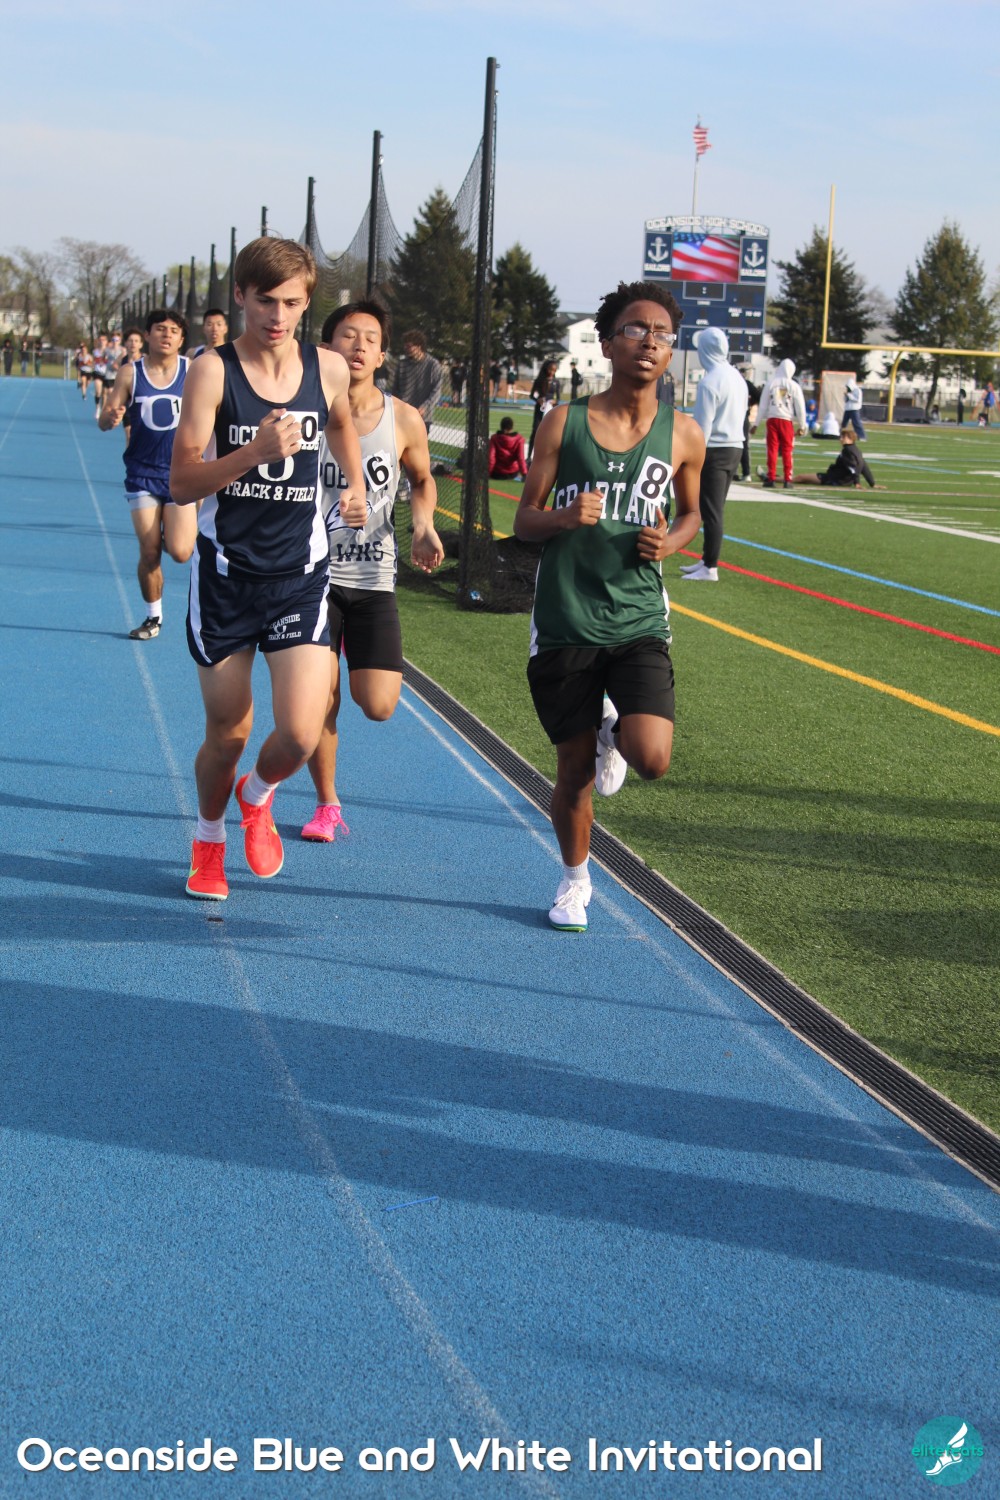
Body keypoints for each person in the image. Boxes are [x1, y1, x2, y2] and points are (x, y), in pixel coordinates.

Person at [169, 236, 365, 903]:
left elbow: (341, 424)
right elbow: (181, 482)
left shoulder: (328, 368)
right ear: (241, 297)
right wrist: (251, 453)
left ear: (307, 303)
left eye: (291, 303)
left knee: (301, 735)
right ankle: (208, 839)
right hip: (226, 578)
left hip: (299, 577)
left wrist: (354, 486)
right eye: (265, 301)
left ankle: (256, 797)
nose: (277, 316)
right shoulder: (212, 372)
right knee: (229, 735)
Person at [513, 280, 704, 932]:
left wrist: (671, 542)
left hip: (639, 617)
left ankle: (613, 733)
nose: (650, 342)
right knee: (573, 773)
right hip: (566, 617)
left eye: (662, 334)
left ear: (670, 350)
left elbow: (692, 515)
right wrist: (563, 516)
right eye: (635, 329)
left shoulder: (684, 433)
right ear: (607, 342)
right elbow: (524, 520)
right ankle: (574, 882)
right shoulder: (563, 423)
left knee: (652, 756)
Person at [299, 300, 444, 844]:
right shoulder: (304, 410)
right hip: (311, 577)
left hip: (373, 578)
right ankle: (326, 805)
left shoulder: (403, 418)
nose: (358, 346)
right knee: (320, 699)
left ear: (382, 355)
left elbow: (422, 480)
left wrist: (423, 526)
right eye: (347, 335)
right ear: (326, 346)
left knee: (379, 704)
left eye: (370, 339)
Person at [99, 308, 196, 640]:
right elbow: (104, 419)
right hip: (142, 474)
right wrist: (110, 418)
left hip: (181, 473)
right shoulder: (130, 373)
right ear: (148, 335)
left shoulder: (192, 371)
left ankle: (172, 529)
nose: (166, 335)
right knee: (150, 550)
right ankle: (153, 617)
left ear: (181, 339)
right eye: (160, 329)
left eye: (173, 331)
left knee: (181, 552)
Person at [680, 327, 747, 582]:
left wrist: (691, 456)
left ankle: (711, 567)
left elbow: (702, 427)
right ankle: (706, 559)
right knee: (714, 508)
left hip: (716, 450)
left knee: (711, 510)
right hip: (735, 447)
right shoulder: (736, 376)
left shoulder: (710, 382)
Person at [754, 358, 807, 487]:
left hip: (772, 419)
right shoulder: (794, 386)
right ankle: (787, 479)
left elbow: (763, 406)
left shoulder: (771, 384)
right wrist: (802, 425)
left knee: (772, 449)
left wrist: (756, 423)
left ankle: (771, 478)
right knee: (787, 450)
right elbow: (800, 407)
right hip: (786, 421)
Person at [790, 426, 883, 490]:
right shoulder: (856, 449)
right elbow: (864, 466)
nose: (841, 439)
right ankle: (783, 478)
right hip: (842, 480)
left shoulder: (847, 450)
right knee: (803, 479)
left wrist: (857, 483)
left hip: (836, 480)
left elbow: (853, 468)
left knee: (801, 477)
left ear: (851, 439)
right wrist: (872, 483)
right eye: (841, 437)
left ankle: (782, 479)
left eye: (844, 437)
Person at [390, 330, 442, 432]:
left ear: (419, 346)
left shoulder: (432, 365)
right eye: (405, 346)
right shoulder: (402, 364)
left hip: (423, 416)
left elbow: (436, 391)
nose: (406, 348)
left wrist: (425, 407)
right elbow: (395, 390)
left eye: (409, 346)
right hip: (403, 414)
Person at [528, 359, 559, 460]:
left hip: (551, 410)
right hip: (540, 408)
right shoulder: (539, 380)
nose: (552, 372)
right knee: (535, 431)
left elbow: (558, 398)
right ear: (546, 369)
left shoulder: (556, 382)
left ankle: (548, 457)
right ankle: (529, 456)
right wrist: (538, 399)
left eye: (554, 370)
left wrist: (554, 401)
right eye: (550, 370)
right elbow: (532, 395)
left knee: (551, 433)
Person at [489, 415, 528, 480]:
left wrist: (488, 473)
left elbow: (491, 458)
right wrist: (524, 474)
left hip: (497, 473)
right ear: (512, 427)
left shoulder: (494, 438)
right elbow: (521, 458)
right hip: (513, 473)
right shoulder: (519, 439)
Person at [739, 365, 761, 479]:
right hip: (741, 416)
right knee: (742, 445)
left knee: (736, 444)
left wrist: (750, 403)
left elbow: (758, 396)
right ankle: (745, 473)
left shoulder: (743, 383)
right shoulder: (745, 383)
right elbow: (758, 396)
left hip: (735, 416)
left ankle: (743, 472)